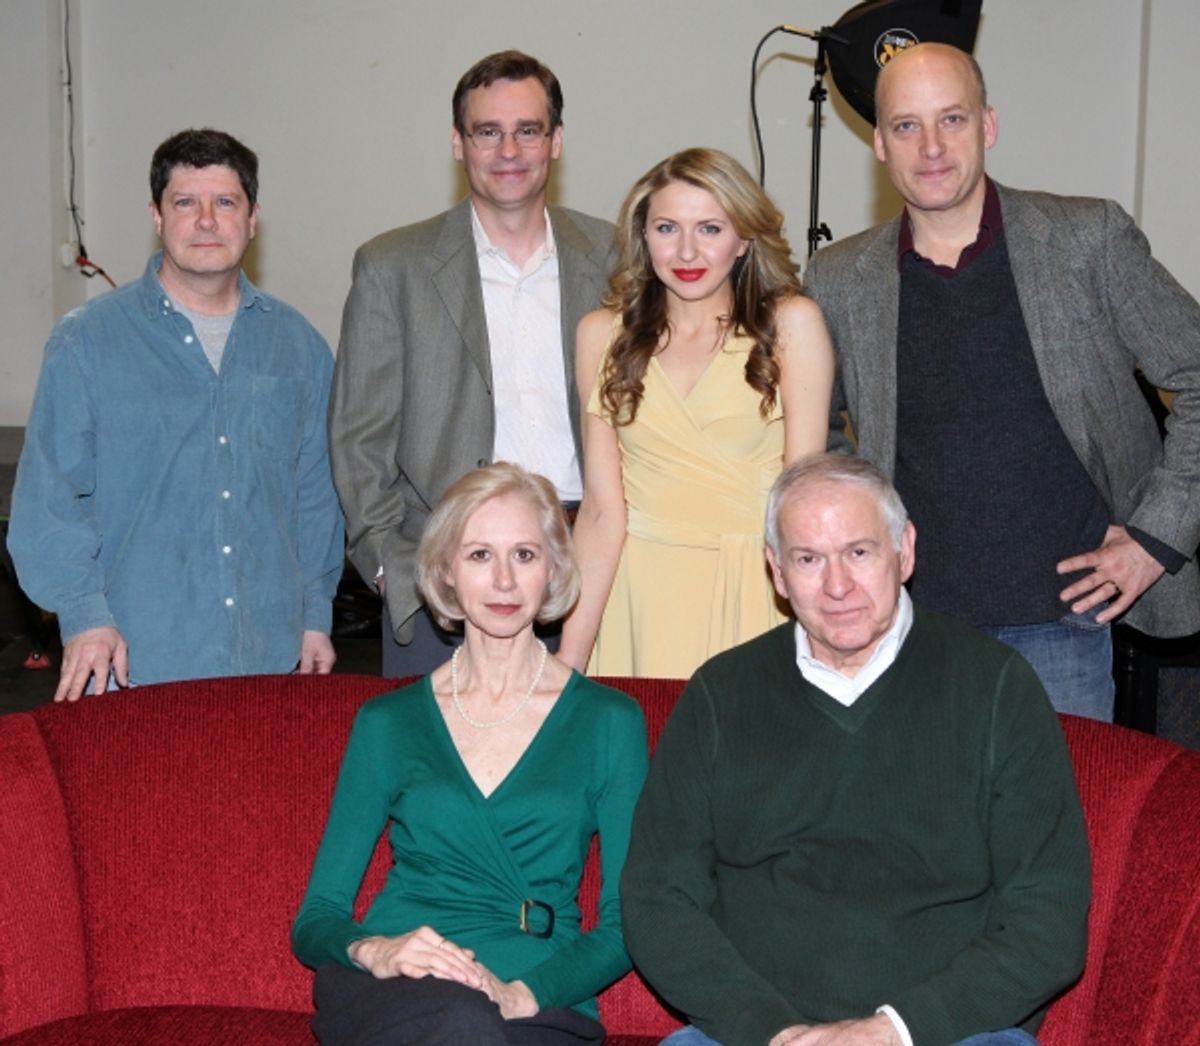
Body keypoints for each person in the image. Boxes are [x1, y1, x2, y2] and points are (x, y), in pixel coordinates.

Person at [620, 453, 1090, 1046]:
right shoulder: (721, 693)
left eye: (859, 552)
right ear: (777, 571)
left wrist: (893, 1030)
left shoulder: (996, 686)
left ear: (905, 551)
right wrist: (771, 1030)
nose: (837, 585)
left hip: (947, 1033)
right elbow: (657, 899)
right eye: (808, 559)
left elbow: (1049, 919)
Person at [802, 42, 1200, 722]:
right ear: (879, 144)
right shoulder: (839, 279)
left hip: (1064, 627)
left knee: (1061, 796)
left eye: (951, 119)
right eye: (906, 125)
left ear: (988, 125)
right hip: (906, 629)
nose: (931, 146)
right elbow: (819, 439)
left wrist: (1152, 540)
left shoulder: (1086, 241)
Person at [292, 462, 648, 1045]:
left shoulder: (610, 722)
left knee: (475, 1027)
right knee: (462, 1023)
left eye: (525, 555)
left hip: (538, 997)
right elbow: (317, 917)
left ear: (554, 570)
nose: (504, 580)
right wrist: (377, 950)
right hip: (400, 991)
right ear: (445, 572)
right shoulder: (388, 723)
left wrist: (521, 994)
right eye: (480, 555)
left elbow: (628, 922)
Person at [8, 128, 343, 701]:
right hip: (132, 665)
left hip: (271, 659)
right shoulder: (87, 342)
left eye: (225, 202)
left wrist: (315, 613)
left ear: (253, 219)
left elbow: (315, 495)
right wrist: (83, 614)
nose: (206, 220)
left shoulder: (298, 346)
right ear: (157, 217)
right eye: (186, 202)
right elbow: (50, 499)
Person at [329, 50, 614, 678]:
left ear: (556, 141)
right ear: (458, 144)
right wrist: (393, 570)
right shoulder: (392, 266)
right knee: (439, 747)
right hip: (445, 580)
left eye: (528, 130)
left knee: (590, 743)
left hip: (589, 570)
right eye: (488, 132)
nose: (508, 150)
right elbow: (358, 440)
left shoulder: (616, 256)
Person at [560, 148, 834, 678]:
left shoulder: (791, 325)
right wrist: (569, 659)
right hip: (638, 595)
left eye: (710, 228)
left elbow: (804, 501)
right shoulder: (600, 335)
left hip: (755, 589)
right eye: (667, 228)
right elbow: (600, 512)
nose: (687, 250)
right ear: (643, 236)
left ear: (744, 238)